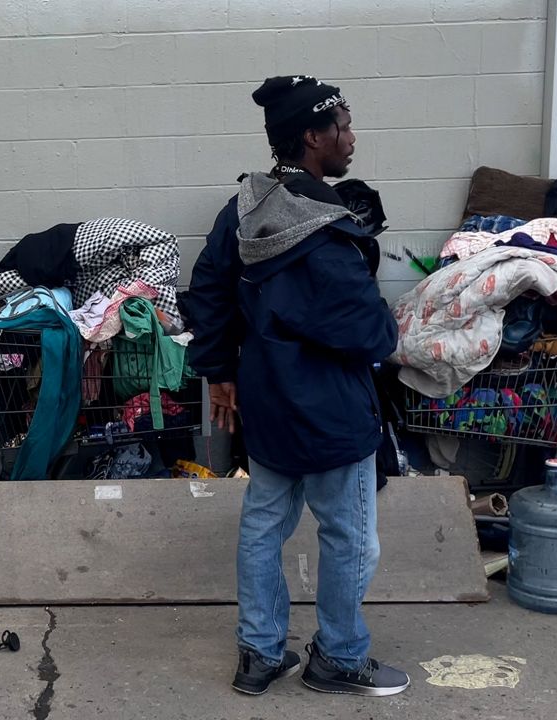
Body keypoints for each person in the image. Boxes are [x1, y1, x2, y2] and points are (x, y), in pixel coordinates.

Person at [186, 75, 410, 697]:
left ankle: (259, 655)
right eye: (342, 127)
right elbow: (371, 335)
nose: (351, 137)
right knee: (350, 538)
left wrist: (221, 370)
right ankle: (338, 657)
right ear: (312, 137)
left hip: (267, 402)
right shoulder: (328, 233)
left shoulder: (247, 206)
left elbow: (207, 288)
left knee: (263, 525)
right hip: (332, 413)